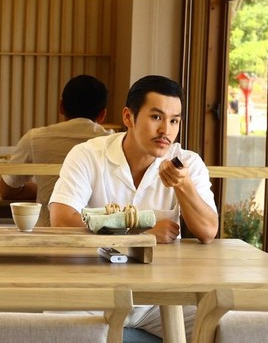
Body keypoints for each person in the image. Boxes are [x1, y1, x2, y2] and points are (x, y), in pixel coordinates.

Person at [48, 74, 218, 339]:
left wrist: (183, 186)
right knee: (49, 328)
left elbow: (208, 232)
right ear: (128, 117)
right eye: (156, 117)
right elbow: (61, 219)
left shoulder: (187, 162)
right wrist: (140, 234)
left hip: (162, 297)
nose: (166, 131)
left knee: (222, 327)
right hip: (94, 291)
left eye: (174, 121)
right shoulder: (88, 154)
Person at [0, 75, 113, 226]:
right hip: (97, 234)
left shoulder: (35, 138)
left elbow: (7, 190)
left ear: (61, 106)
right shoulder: (111, 142)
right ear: (103, 114)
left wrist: (46, 188)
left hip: (47, 232)